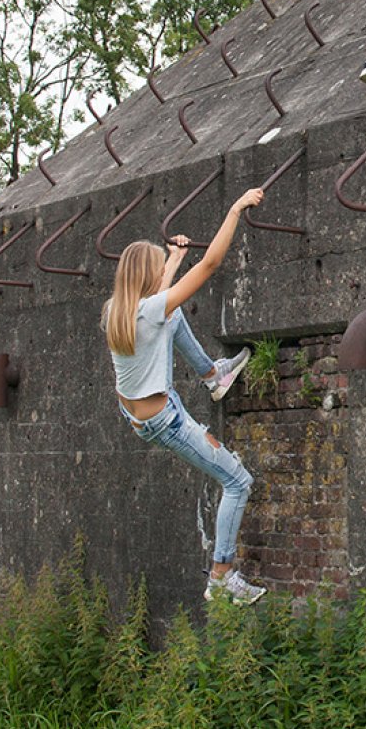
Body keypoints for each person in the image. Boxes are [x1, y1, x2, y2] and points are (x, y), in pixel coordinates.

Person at [105, 187, 266, 604]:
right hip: (166, 421)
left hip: (140, 413)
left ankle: (213, 376)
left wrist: (173, 260)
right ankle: (222, 574)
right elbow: (211, 264)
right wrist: (234, 208)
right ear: (145, 277)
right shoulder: (149, 310)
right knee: (237, 481)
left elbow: (157, 302)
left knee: (172, 317)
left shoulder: (117, 311)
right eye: (158, 267)